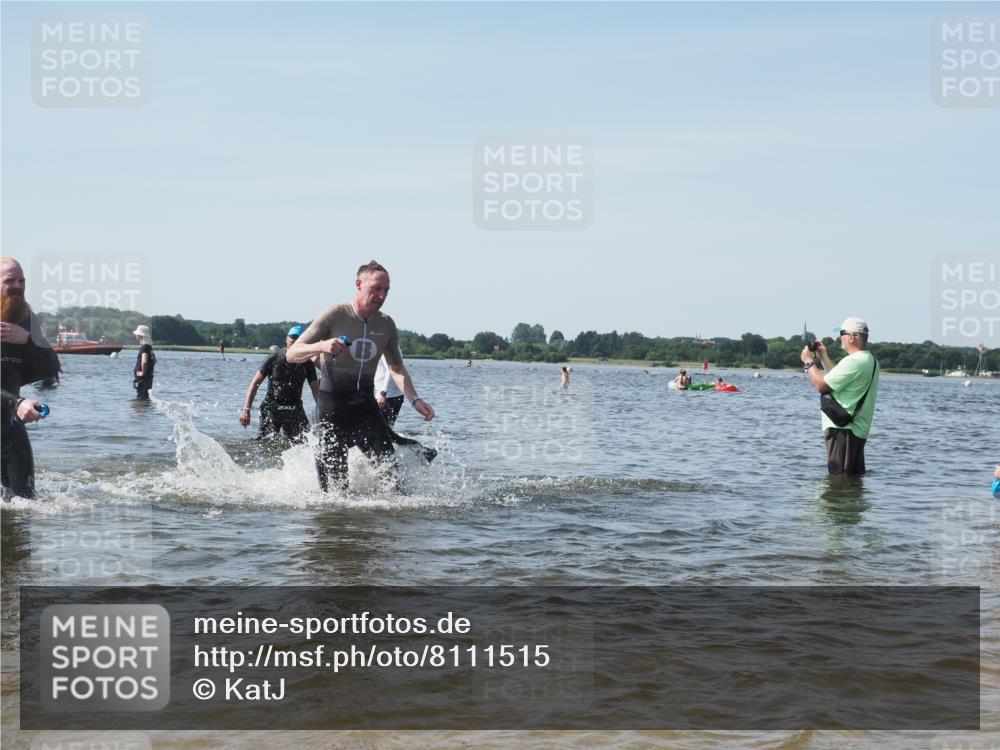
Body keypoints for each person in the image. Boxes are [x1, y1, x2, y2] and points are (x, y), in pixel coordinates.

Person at [287, 260, 435, 491]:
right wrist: (322, 346)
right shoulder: (335, 314)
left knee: (393, 481)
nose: (381, 295)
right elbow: (292, 353)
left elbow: (396, 367)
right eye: (376, 288)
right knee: (336, 493)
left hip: (366, 410)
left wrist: (415, 400)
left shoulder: (386, 324)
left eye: (386, 290)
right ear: (358, 284)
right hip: (331, 410)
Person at [1, 258, 60, 499]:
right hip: (11, 407)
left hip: (8, 426)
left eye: (22, 280)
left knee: (25, 503)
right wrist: (16, 403)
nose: (17, 286)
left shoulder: (26, 318)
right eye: (9, 280)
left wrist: (27, 340)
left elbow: (51, 367)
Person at [801, 317, 880, 476]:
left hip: (843, 431)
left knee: (839, 481)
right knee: (851, 481)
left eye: (841, 334)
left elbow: (821, 385)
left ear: (851, 337)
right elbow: (837, 379)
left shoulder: (855, 361)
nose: (839, 338)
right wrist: (823, 357)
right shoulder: (870, 360)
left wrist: (808, 362)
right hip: (857, 431)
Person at [240, 325, 319, 442]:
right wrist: (246, 409)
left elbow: (315, 390)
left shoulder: (307, 364)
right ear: (286, 340)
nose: (294, 343)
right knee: (266, 443)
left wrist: (322, 411)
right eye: (292, 340)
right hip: (271, 408)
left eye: (298, 341)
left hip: (294, 409)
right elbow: (254, 384)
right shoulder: (274, 359)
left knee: (305, 443)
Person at [374, 344, 405, 428]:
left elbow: (391, 370)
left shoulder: (386, 345)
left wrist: (383, 393)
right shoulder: (380, 343)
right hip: (386, 394)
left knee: (381, 429)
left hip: (388, 396)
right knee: (384, 429)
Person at [132, 324, 156, 400]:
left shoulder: (144, 347)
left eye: (137, 335)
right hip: (148, 379)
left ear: (140, 336)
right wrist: (148, 371)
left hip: (142, 379)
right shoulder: (149, 347)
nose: (136, 337)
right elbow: (154, 361)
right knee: (145, 399)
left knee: (139, 404)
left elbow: (144, 361)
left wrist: (143, 372)